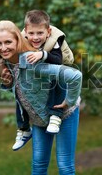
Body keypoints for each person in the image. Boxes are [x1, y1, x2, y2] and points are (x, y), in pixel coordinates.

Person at [0, 20, 82, 175]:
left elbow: (75, 76)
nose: (4, 48)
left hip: (63, 113)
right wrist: (6, 80)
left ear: (18, 40)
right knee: (39, 164)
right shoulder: (5, 64)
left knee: (64, 165)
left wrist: (69, 100)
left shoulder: (34, 61)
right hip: (39, 118)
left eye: (8, 43)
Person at [11, 10, 74, 151]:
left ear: (48, 31)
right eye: (31, 33)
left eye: (40, 33)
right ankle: (23, 128)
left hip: (59, 69)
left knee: (56, 79)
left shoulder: (55, 39)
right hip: (37, 76)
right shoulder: (21, 39)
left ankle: (55, 116)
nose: (35, 37)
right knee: (19, 89)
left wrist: (43, 54)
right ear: (26, 32)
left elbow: (58, 61)